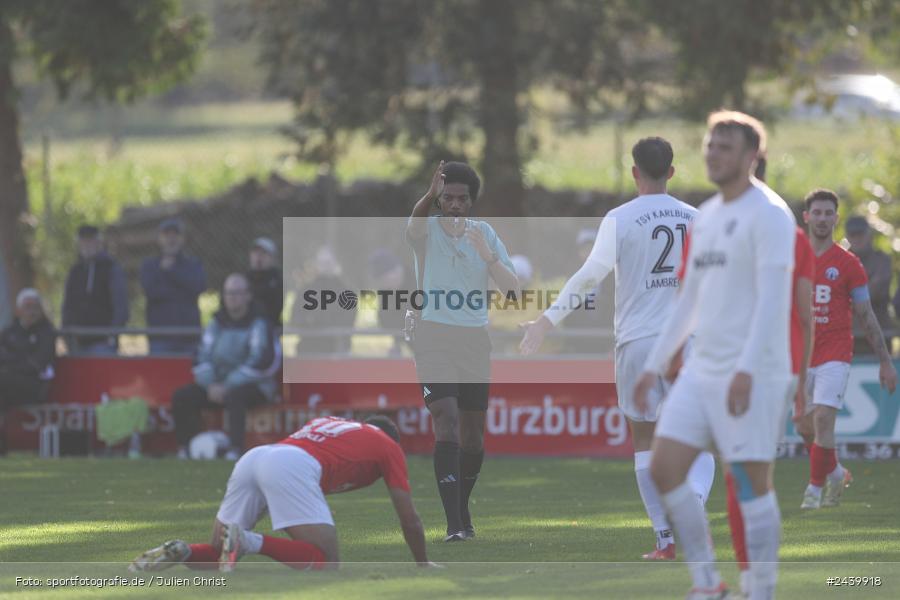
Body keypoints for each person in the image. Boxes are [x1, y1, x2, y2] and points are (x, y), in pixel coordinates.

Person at [520, 137, 716, 561]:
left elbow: (590, 275)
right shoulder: (698, 218)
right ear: (673, 171)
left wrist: (546, 320)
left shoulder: (619, 218)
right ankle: (694, 500)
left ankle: (665, 539)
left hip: (637, 341)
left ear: (634, 172)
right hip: (689, 339)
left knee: (644, 438)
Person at [634, 111, 795, 600]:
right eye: (709, 143)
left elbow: (773, 302)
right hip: (701, 372)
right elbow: (689, 302)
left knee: (750, 483)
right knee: (663, 469)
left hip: (755, 371)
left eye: (725, 146)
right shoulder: (707, 216)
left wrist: (747, 368)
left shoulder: (770, 214)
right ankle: (709, 583)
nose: (713, 152)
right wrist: (654, 364)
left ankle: (760, 590)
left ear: (752, 157)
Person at [130, 416, 438, 572]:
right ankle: (249, 541)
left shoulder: (334, 424)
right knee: (326, 561)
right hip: (291, 465)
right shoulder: (389, 446)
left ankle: (180, 550)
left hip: (258, 457)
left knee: (217, 551)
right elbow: (408, 518)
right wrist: (423, 564)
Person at [406, 161, 518, 541]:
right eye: (447, 198)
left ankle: (460, 509)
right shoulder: (427, 229)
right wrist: (428, 195)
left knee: (473, 437)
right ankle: (455, 524)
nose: (454, 205)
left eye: (461, 199)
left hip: (474, 340)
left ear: (471, 202)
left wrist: (488, 256)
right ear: (440, 200)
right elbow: (415, 222)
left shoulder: (485, 233)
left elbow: (514, 290)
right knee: (446, 416)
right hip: (433, 335)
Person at [795, 190, 897, 510]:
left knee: (824, 418)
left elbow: (866, 315)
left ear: (836, 219)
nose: (823, 218)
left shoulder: (848, 264)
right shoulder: (792, 260)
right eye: (817, 213)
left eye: (829, 213)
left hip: (835, 352)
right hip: (802, 355)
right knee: (804, 428)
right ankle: (836, 472)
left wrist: (885, 362)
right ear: (807, 217)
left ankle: (814, 491)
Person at [171, 273, 280, 460]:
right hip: (216, 386)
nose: (232, 297)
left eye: (238, 293)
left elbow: (262, 362)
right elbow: (201, 358)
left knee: (235, 396)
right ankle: (189, 448)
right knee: (182, 397)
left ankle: (235, 450)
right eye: (229, 293)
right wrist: (211, 384)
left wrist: (227, 385)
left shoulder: (259, 324)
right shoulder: (215, 323)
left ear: (248, 295)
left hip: (255, 386)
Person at [0, 289, 56, 454]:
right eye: (27, 306)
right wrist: (17, 360)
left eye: (35, 306)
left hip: (34, 386)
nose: (31, 311)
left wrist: (11, 360)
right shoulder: (10, 332)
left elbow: (36, 364)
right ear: (19, 310)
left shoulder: (46, 332)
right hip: (7, 383)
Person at [140, 218, 207, 355]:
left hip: (189, 338)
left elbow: (198, 287)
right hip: (160, 338)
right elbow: (151, 291)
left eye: (175, 235)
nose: (171, 239)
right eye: (167, 235)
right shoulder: (149, 266)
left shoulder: (194, 264)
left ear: (182, 239)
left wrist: (171, 272)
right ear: (159, 239)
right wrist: (181, 287)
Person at [61, 225, 129, 354]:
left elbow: (121, 305)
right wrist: (66, 335)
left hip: (103, 343)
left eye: (91, 240)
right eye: (83, 241)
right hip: (77, 342)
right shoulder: (75, 271)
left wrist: (112, 334)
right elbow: (67, 306)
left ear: (99, 242)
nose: (87, 244)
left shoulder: (111, 268)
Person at [292, 247, 357, 354]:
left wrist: (317, 321)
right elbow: (295, 318)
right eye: (322, 262)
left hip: (336, 351)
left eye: (328, 262)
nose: (326, 266)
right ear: (316, 264)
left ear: (336, 263)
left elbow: (347, 322)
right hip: (308, 350)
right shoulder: (305, 291)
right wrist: (309, 322)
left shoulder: (347, 292)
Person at [845, 215, 895, 354]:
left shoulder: (882, 260)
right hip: (849, 338)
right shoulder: (842, 262)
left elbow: (876, 291)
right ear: (847, 237)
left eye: (860, 233)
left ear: (869, 235)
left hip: (880, 336)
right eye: (852, 234)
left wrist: (849, 294)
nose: (857, 238)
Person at [247, 237, 284, 329]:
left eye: (263, 253)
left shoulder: (277, 281)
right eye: (255, 253)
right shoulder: (244, 279)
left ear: (273, 258)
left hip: (269, 327)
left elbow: (274, 311)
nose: (259, 257)